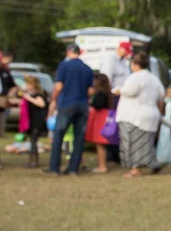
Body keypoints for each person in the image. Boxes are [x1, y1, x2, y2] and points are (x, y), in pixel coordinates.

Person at [115, 52, 165, 178]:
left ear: (135, 64)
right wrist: (160, 113)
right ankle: (153, 163)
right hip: (152, 113)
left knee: (134, 142)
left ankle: (135, 169)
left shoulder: (135, 77)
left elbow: (129, 91)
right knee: (147, 143)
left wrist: (119, 90)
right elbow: (161, 97)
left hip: (134, 115)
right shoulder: (154, 78)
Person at [48, 43, 94, 176]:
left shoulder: (64, 66)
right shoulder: (87, 69)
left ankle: (54, 168)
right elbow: (90, 91)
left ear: (68, 52)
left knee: (59, 135)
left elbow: (58, 86)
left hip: (66, 104)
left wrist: (54, 99)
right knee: (79, 138)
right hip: (82, 105)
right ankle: (73, 168)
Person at [85, 73, 114, 174]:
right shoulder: (108, 93)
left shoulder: (100, 93)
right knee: (101, 144)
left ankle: (102, 166)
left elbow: (98, 104)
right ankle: (102, 165)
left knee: (100, 144)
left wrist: (90, 99)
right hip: (104, 118)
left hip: (100, 119)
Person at [20, 75, 48, 169]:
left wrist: (28, 98)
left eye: (28, 84)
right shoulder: (31, 94)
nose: (27, 86)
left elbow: (41, 104)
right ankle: (31, 160)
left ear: (34, 85)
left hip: (37, 121)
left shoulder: (38, 95)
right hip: (31, 121)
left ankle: (34, 162)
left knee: (33, 141)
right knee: (32, 141)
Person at [0, 49, 18, 140]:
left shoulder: (5, 71)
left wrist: (9, 95)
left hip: (2, 100)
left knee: (1, 119)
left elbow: (13, 86)